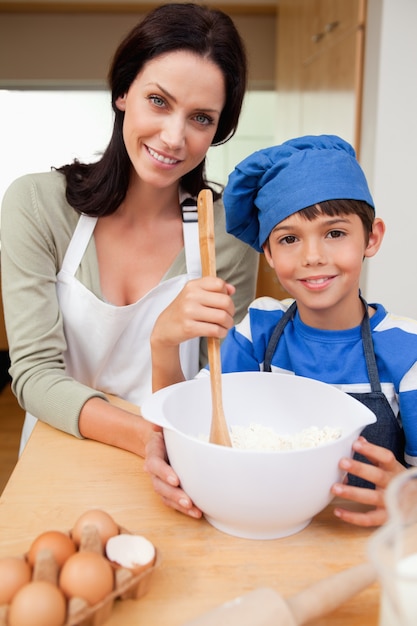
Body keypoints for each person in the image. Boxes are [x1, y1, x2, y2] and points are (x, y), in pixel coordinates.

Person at [0, 3, 259, 456]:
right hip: (58, 456)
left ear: (219, 129)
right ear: (123, 92)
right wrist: (144, 438)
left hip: (179, 457)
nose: (174, 138)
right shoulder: (38, 205)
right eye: (158, 101)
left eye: (201, 118)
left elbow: (219, 390)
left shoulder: (227, 234)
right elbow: (34, 374)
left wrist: (164, 345)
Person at [146, 134, 416, 527]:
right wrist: (162, 344)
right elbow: (188, 423)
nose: (313, 257)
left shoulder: (407, 353)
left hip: (361, 552)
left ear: (371, 237)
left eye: (335, 233)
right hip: (257, 531)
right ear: (268, 253)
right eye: (289, 239)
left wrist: (409, 497)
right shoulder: (258, 331)